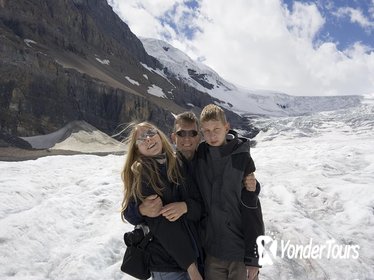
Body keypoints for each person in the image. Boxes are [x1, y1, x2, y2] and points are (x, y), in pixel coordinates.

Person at [121, 122, 203, 280]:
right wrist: (191, 267)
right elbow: (162, 224)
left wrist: (185, 206)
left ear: (160, 134)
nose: (148, 139)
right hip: (167, 264)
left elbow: (199, 204)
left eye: (151, 133)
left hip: (195, 255)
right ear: (137, 149)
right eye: (141, 139)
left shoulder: (178, 162)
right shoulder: (142, 172)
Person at [195, 104, 265, 280]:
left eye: (216, 129)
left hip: (240, 254)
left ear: (227, 127)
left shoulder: (242, 159)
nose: (212, 135)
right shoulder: (201, 155)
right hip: (213, 253)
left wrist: (255, 258)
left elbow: (253, 211)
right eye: (207, 131)